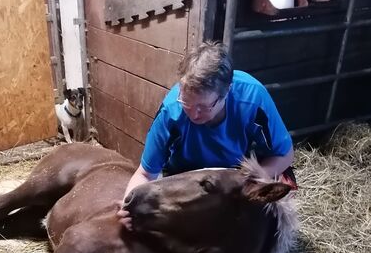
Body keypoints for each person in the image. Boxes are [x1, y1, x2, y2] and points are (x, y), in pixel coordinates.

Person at [118, 41, 295, 229]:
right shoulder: (172, 111)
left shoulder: (252, 98)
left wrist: (248, 184)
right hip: (185, 181)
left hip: (233, 177)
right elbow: (145, 173)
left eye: (203, 107)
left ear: (226, 93)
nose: (193, 114)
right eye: (187, 103)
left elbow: (285, 153)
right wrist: (128, 204)